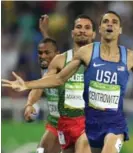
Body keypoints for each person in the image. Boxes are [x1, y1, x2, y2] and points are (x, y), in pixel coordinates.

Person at [2, 11, 133, 153]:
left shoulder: (129, 56)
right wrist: (28, 85)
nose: (110, 24)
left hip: (113, 124)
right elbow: (59, 78)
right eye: (106, 21)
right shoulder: (88, 52)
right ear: (100, 29)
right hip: (87, 125)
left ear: (120, 30)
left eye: (114, 22)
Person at [26, 14, 96, 153]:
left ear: (94, 34)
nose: (82, 30)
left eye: (87, 28)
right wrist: (29, 104)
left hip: (88, 123)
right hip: (61, 123)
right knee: (41, 151)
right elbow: (42, 82)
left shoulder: (101, 61)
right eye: (79, 27)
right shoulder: (60, 60)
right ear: (72, 33)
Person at [24, 37, 61, 153]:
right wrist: (29, 104)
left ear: (58, 54)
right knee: (41, 150)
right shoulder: (45, 70)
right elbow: (38, 87)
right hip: (54, 124)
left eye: (47, 53)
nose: (43, 56)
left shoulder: (65, 70)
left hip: (73, 125)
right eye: (40, 53)